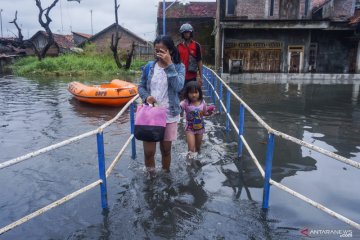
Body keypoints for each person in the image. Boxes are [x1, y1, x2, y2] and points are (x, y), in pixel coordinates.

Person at [138, 35, 185, 173]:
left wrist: (169, 65)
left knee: (165, 151)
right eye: (156, 50)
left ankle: (165, 176)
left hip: (169, 114)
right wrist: (146, 97)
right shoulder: (149, 67)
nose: (159, 53)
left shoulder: (178, 67)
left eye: (162, 50)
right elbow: (141, 87)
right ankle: (151, 178)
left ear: (170, 50)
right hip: (151, 114)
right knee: (148, 152)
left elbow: (178, 87)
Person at [180, 81, 215, 161]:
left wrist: (209, 113)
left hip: (200, 129)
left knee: (198, 148)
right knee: (191, 150)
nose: (194, 95)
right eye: (191, 93)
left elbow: (204, 113)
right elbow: (178, 108)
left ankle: (197, 162)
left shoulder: (203, 103)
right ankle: (189, 164)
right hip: (190, 129)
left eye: (196, 92)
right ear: (187, 93)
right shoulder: (185, 103)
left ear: (199, 93)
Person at [177, 23, 203, 87]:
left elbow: (199, 61)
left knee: (191, 96)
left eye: (188, 32)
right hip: (181, 77)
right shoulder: (178, 46)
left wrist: (201, 77)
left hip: (192, 77)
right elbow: (176, 61)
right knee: (181, 95)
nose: (186, 34)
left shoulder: (196, 45)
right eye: (184, 32)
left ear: (191, 33)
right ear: (182, 34)